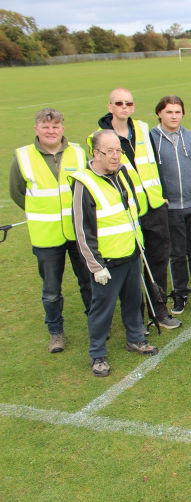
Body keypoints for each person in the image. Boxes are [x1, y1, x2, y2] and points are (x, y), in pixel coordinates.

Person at [86, 88, 178, 330]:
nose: (124, 107)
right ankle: (136, 319)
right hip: (126, 213)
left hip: (154, 206)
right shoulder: (98, 137)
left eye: (128, 103)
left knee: (158, 262)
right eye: (119, 103)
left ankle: (159, 311)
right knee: (133, 268)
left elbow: (155, 164)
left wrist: (163, 195)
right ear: (110, 106)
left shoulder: (141, 128)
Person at [72, 130, 159, 377]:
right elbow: (82, 230)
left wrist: (138, 246)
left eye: (118, 150)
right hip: (107, 262)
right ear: (95, 153)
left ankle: (135, 339)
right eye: (108, 151)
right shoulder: (84, 183)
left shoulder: (122, 173)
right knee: (102, 310)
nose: (115, 156)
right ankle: (97, 354)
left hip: (131, 253)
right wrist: (96, 265)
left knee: (133, 302)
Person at [9, 108, 92, 353]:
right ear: (36, 130)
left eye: (55, 126)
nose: (51, 131)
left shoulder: (77, 152)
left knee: (88, 281)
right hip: (46, 237)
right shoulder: (22, 157)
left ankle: (96, 323)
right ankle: (56, 332)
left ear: (62, 129)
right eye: (45, 127)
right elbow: (17, 193)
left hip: (78, 233)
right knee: (51, 291)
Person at [150, 96, 191, 314]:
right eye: (169, 112)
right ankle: (180, 292)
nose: (174, 116)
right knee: (177, 254)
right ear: (160, 113)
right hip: (170, 209)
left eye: (178, 112)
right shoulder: (151, 139)